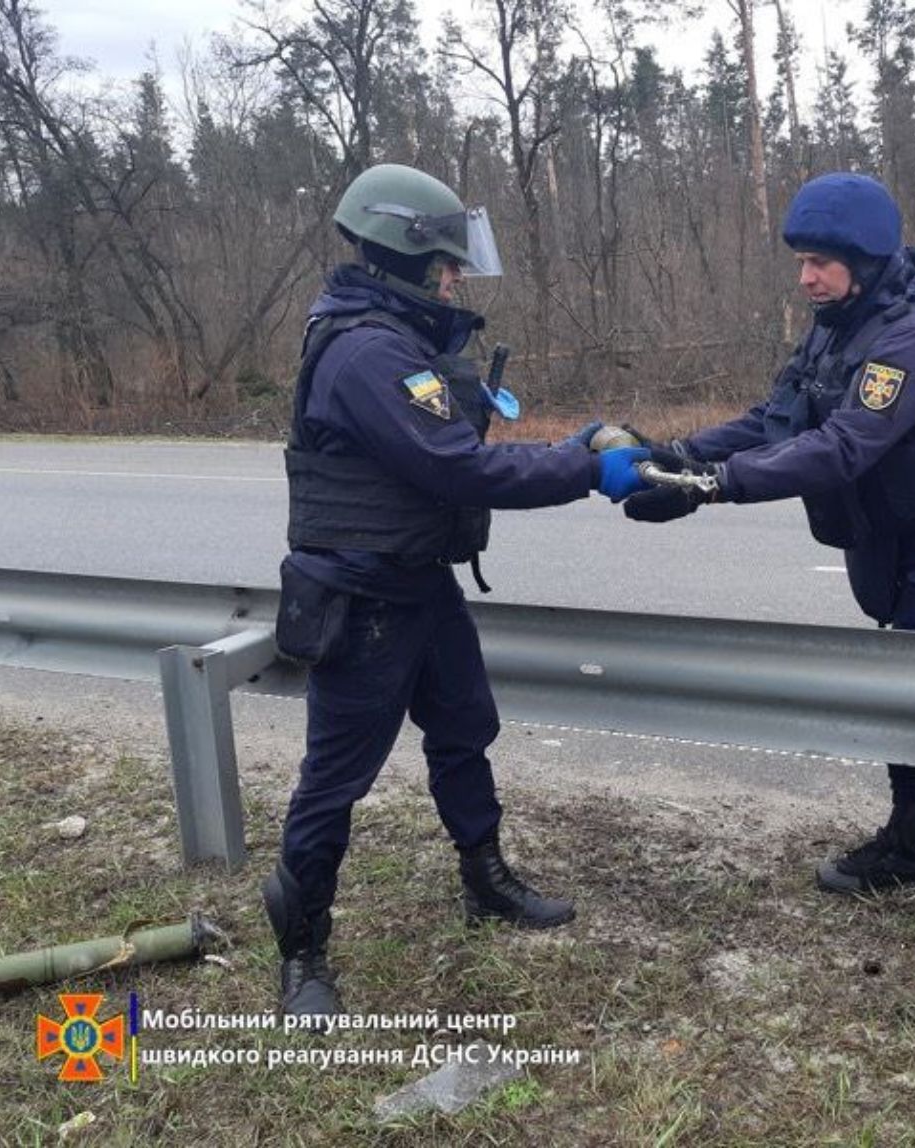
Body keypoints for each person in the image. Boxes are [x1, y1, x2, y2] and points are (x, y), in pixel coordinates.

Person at [264, 162, 650, 1022]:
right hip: (360, 596)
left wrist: (574, 445)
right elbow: (457, 468)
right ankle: (303, 954)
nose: (456, 278)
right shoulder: (367, 353)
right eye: (445, 263)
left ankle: (485, 879)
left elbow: (454, 450)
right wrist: (588, 470)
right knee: (336, 779)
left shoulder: (401, 342)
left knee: (464, 729)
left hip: (418, 583)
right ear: (402, 256)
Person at [621, 171, 915, 896]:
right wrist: (683, 457)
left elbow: (843, 446)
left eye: (819, 263)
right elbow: (777, 419)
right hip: (892, 528)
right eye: (801, 262)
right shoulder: (841, 320)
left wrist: (717, 484)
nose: (805, 278)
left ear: (865, 261)